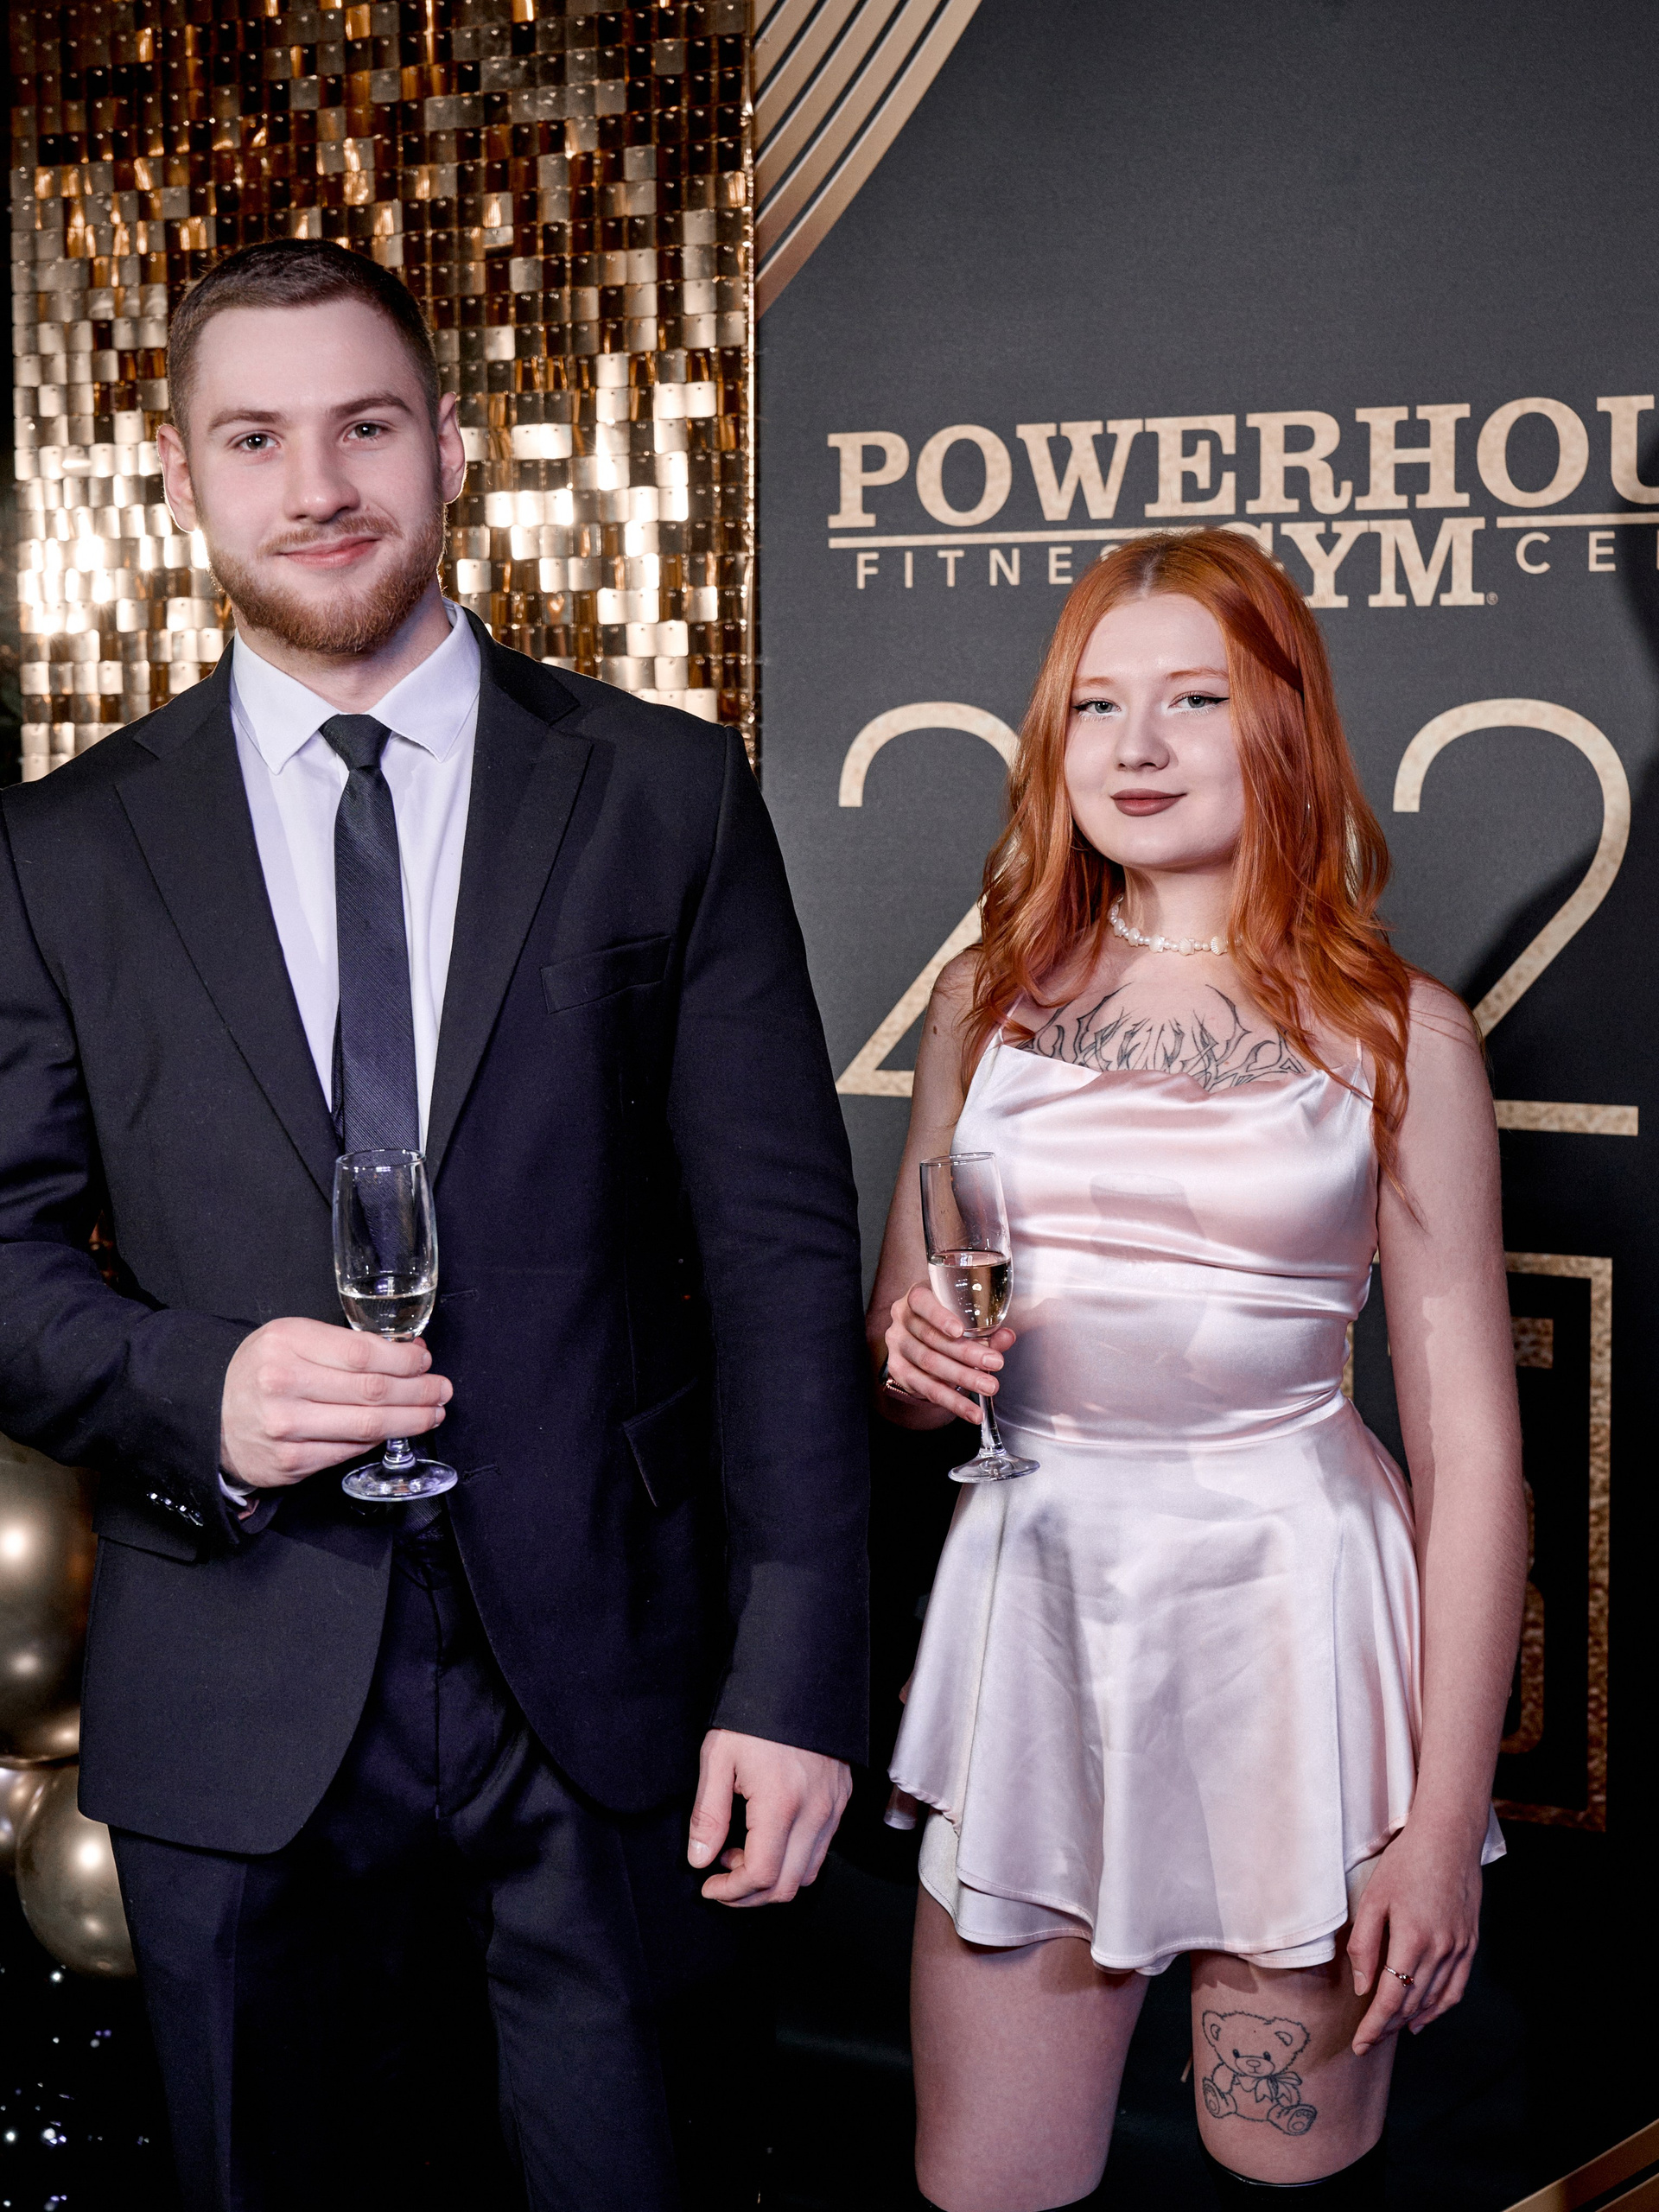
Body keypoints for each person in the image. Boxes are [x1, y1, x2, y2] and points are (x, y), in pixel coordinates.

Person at [0, 238, 868, 2212]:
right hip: (235, 1691)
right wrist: (195, 1383)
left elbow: (779, 1261)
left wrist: (794, 1677)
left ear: (454, 445)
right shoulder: (58, 850)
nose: (318, 484)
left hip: (616, 1696)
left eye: (367, 426)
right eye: (255, 437)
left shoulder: (662, 793)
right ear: (177, 474)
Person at [871, 530, 1525, 2210]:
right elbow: (908, 1355)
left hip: (1294, 1632)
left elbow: (1471, 1457)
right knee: (992, 2183)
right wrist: (916, 1358)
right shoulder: (980, 1002)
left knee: (1278, 2164)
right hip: (1037, 1613)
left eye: (1194, 699)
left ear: (1283, 722)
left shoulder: (1401, 1033)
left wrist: (1441, 1823)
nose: (1137, 745)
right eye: (1097, 704)